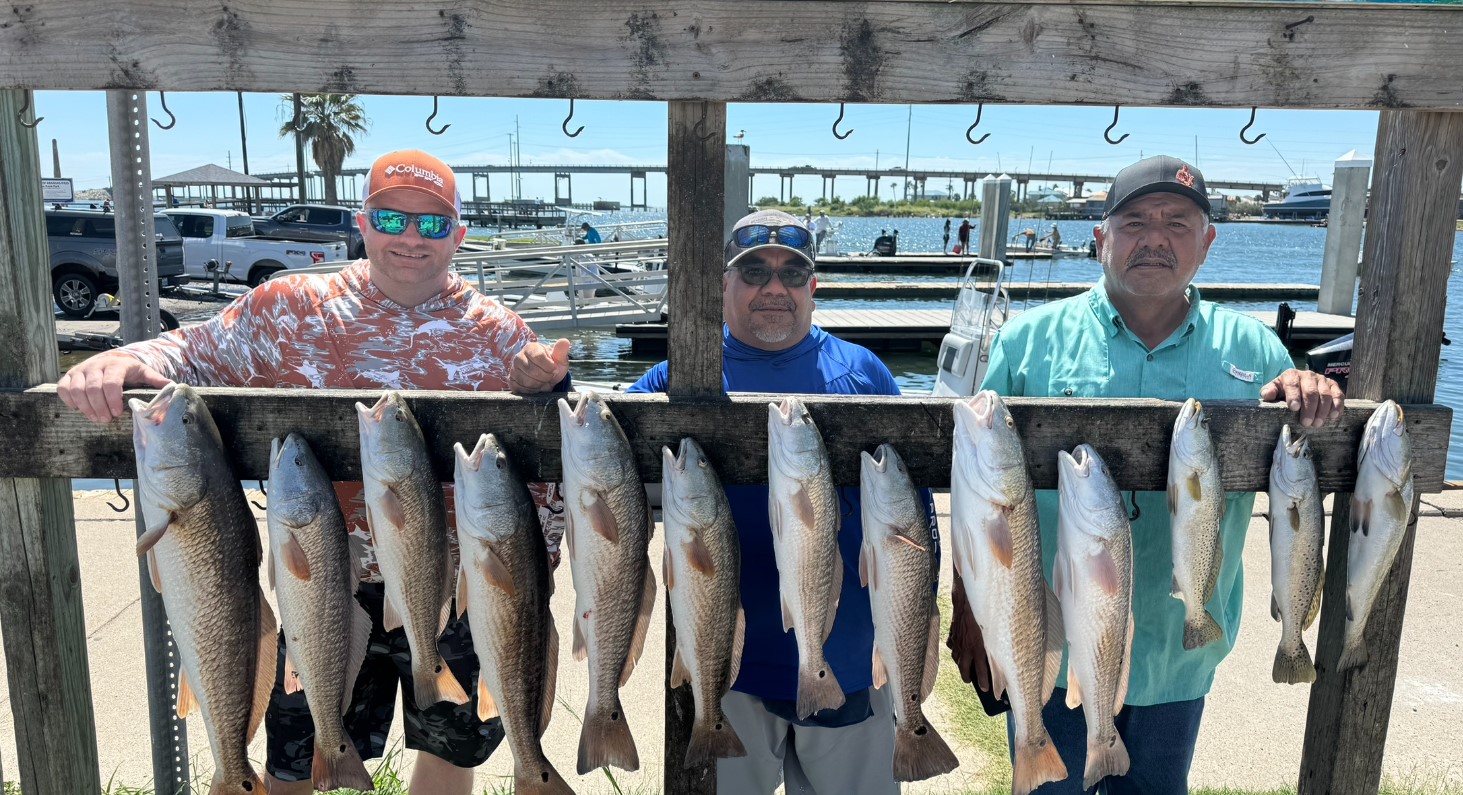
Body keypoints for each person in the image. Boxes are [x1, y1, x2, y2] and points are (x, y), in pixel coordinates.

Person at [57, 149, 574, 795]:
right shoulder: (289, 306)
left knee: (449, 756)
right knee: (297, 762)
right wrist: (124, 360)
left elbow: (543, 465)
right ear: (363, 222)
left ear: (459, 235)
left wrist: (551, 391)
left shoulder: (500, 332)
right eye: (392, 218)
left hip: (453, 585)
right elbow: (191, 351)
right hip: (323, 580)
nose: (411, 237)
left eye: (433, 223)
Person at [947, 155, 1344, 795]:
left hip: (1177, 650)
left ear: (1207, 244)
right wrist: (967, 604)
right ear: (1100, 238)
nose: (1154, 238)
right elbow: (975, 494)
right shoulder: (1026, 342)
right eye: (1134, 222)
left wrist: (1310, 391)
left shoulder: (1257, 351)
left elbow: (1300, 460)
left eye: (1177, 224)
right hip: (1049, 644)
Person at [627, 209, 935, 794]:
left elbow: (915, 515)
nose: (774, 287)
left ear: (812, 287)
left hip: (847, 659)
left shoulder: (864, 373)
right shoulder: (678, 376)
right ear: (723, 283)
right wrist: (552, 388)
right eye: (754, 272)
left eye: (792, 273)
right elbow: (606, 451)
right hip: (727, 662)